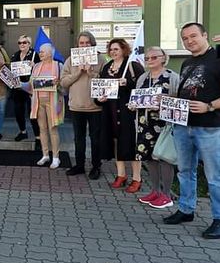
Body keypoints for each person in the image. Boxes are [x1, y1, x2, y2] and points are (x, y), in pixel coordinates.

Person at [163, 23, 220, 239]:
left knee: (215, 176)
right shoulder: (187, 62)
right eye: (185, 38)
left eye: (193, 36)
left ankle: (218, 218)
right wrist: (169, 102)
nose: (189, 41)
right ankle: (186, 209)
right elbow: (184, 93)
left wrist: (210, 106)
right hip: (183, 125)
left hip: (209, 127)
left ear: (205, 35)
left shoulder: (217, 59)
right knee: (185, 171)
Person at [129, 47, 179, 209]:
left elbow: (179, 101)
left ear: (164, 58)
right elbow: (137, 98)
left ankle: (166, 194)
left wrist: (163, 102)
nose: (150, 60)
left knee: (164, 158)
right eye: (147, 58)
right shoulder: (143, 78)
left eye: (154, 57)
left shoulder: (172, 77)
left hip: (164, 124)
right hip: (145, 124)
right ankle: (155, 191)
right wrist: (133, 105)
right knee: (149, 158)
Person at [96, 38, 144, 192]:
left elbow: (142, 87)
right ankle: (121, 174)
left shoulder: (132, 66)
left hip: (127, 112)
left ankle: (137, 178)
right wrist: (99, 99)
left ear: (124, 50)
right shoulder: (107, 67)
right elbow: (100, 88)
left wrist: (127, 84)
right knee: (116, 143)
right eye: (111, 49)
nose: (113, 52)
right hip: (110, 111)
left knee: (131, 144)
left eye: (116, 49)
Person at [61, 31, 106, 179]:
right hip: (76, 106)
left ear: (92, 43)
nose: (84, 45)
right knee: (78, 138)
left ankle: (96, 166)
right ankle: (79, 165)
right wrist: (78, 72)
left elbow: (106, 82)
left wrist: (91, 72)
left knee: (96, 139)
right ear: (77, 44)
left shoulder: (100, 59)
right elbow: (63, 82)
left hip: (95, 107)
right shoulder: (70, 60)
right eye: (82, 43)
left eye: (87, 43)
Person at [30, 43, 65, 169]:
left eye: (42, 51)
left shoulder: (59, 66)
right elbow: (31, 84)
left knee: (53, 129)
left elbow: (64, 86)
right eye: (40, 52)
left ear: (50, 53)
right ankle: (45, 155)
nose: (40, 53)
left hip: (53, 102)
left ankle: (56, 157)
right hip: (39, 102)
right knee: (42, 129)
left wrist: (59, 83)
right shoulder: (36, 66)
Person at [10, 35, 41, 146]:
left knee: (32, 113)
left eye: (24, 42)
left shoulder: (35, 55)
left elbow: (41, 70)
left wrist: (35, 66)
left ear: (29, 44)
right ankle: (23, 131)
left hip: (30, 88)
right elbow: (11, 71)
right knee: (18, 111)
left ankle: (38, 137)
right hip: (17, 88)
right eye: (20, 42)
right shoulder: (15, 55)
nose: (22, 44)